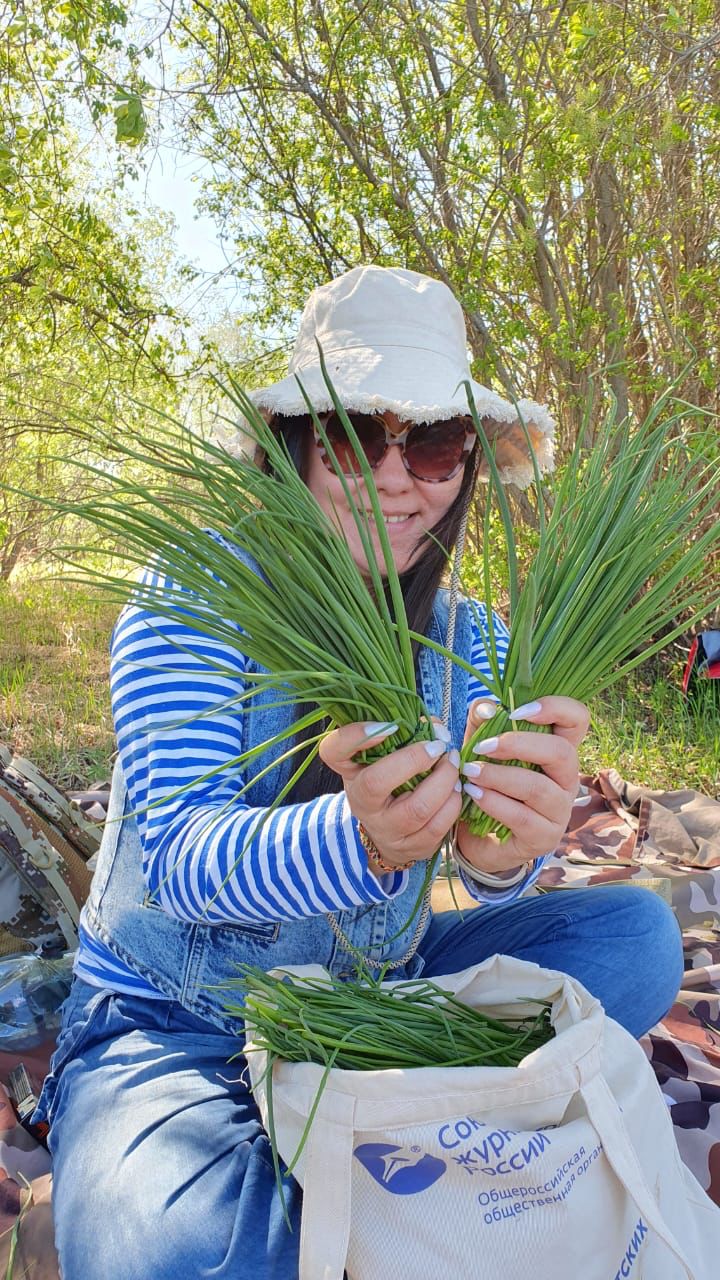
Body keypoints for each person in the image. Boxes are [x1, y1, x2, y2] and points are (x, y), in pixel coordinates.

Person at [35, 266, 683, 1280]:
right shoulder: (193, 596)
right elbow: (179, 858)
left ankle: (361, 1100)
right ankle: (325, 1141)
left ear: (467, 463)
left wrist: (509, 847)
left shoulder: (473, 636)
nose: (395, 477)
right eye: (351, 434)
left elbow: (495, 863)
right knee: (180, 1257)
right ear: (293, 448)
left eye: (431, 443)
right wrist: (363, 836)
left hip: (373, 994)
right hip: (174, 1025)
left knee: (638, 936)